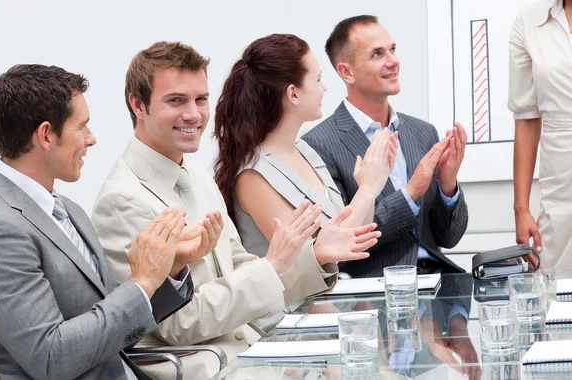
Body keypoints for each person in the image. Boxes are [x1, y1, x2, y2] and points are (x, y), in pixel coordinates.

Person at [91, 41, 380, 379]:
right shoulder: (122, 200)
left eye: (200, 99)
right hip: (210, 366)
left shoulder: (198, 179)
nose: (193, 113)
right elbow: (180, 324)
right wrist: (274, 266)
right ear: (138, 106)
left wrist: (312, 256)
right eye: (176, 100)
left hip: (251, 352)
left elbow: (244, 269)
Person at [0, 64, 196, 379]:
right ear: (46, 135)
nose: (92, 139)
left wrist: (167, 270)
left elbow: (108, 318)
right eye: (83, 126)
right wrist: (142, 281)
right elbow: (52, 357)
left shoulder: (68, 209)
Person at [302, 15, 469, 278]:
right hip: (374, 293)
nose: (393, 61)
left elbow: (449, 238)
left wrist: (447, 184)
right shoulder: (318, 145)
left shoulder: (422, 133)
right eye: (377, 54)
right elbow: (341, 244)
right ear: (347, 72)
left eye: (392, 50)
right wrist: (411, 193)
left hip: (439, 282)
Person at [214, 33, 397, 258]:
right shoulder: (253, 176)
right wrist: (367, 190)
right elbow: (311, 261)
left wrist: (370, 186)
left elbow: (355, 237)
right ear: (293, 93)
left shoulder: (304, 149)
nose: (325, 88)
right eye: (318, 79)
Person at [510, 0, 572, 269]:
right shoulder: (528, 20)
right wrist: (521, 209)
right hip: (560, 188)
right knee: (557, 292)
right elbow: (526, 118)